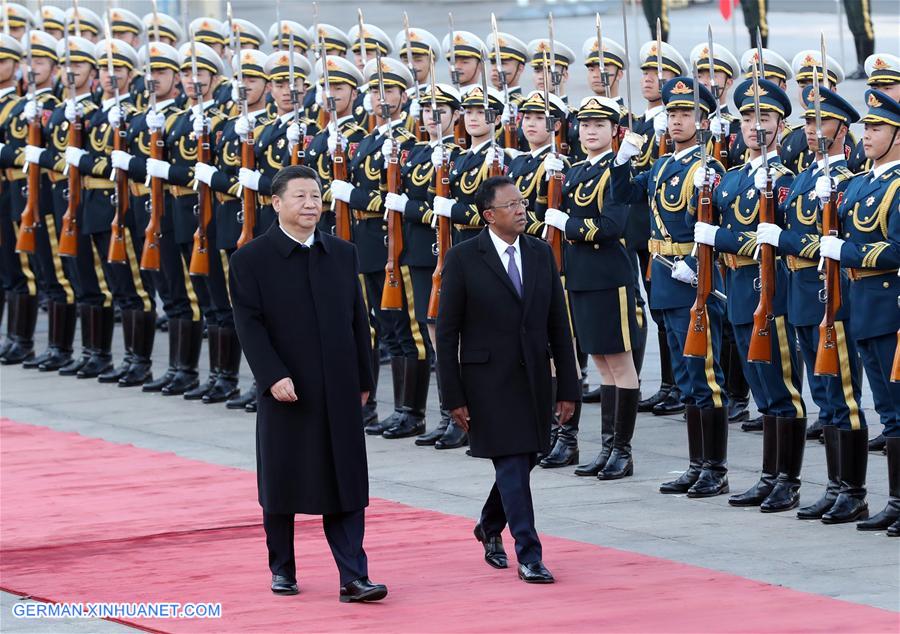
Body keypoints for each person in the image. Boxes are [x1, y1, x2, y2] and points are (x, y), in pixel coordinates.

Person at [230, 165, 386, 602]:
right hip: (287, 388)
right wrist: (271, 375)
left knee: (346, 480)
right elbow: (249, 324)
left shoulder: (342, 252)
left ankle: (354, 576)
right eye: (299, 197)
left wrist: (363, 376)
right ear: (276, 203)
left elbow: (358, 319)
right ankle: (282, 568)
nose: (310, 204)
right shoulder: (251, 259)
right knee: (283, 482)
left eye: (316, 196)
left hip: (338, 385)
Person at [435, 175, 580, 584]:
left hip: (534, 377)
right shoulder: (464, 257)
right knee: (513, 463)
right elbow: (447, 335)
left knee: (524, 459)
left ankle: (487, 524)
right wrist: (453, 396)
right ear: (488, 215)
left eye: (522, 203)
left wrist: (568, 387)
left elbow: (558, 324)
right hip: (487, 383)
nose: (521, 210)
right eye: (511, 205)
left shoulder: (539, 253)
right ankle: (529, 553)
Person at [820, 89, 900, 529]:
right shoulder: (859, 182)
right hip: (861, 305)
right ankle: (894, 501)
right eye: (867, 127)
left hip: (890, 306)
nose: (868, 135)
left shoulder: (897, 185)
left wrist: (846, 251)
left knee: (898, 407)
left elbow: (896, 249)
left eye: (878, 128)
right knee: (887, 412)